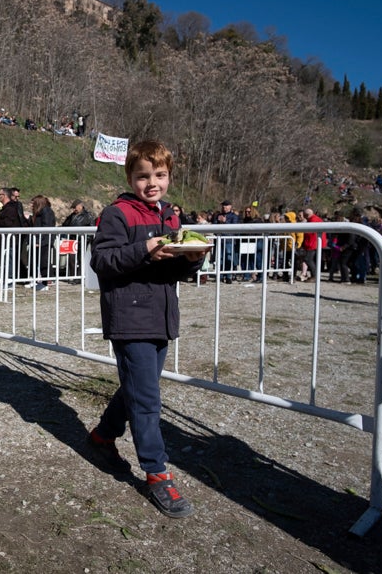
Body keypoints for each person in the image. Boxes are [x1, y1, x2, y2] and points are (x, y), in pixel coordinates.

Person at [87, 140, 208, 518]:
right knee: (147, 399)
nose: (151, 183)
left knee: (138, 388)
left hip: (160, 316)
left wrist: (192, 259)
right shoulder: (117, 214)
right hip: (128, 317)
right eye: (143, 176)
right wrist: (145, 248)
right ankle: (157, 473)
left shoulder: (171, 216)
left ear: (169, 177)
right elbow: (103, 261)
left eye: (159, 175)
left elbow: (173, 271)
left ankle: (102, 436)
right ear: (130, 177)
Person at [26, 194, 56, 291]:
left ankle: (46, 282)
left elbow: (46, 227)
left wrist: (40, 241)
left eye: (33, 203)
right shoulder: (40, 212)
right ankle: (41, 281)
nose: (31, 206)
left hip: (44, 241)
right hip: (40, 240)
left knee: (44, 261)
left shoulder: (46, 211)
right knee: (39, 261)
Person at [215, 200, 239, 283]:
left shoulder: (234, 216)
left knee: (228, 258)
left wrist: (225, 222)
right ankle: (220, 276)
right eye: (223, 205)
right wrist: (218, 221)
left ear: (230, 206)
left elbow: (234, 227)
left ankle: (228, 276)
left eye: (226, 205)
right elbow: (214, 226)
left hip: (229, 240)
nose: (224, 207)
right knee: (220, 258)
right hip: (220, 240)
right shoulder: (218, 215)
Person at [299, 208, 326, 282]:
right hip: (316, 243)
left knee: (308, 259)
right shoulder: (316, 219)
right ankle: (314, 275)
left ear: (306, 215)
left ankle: (315, 276)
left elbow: (310, 233)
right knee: (312, 260)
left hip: (313, 244)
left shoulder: (313, 220)